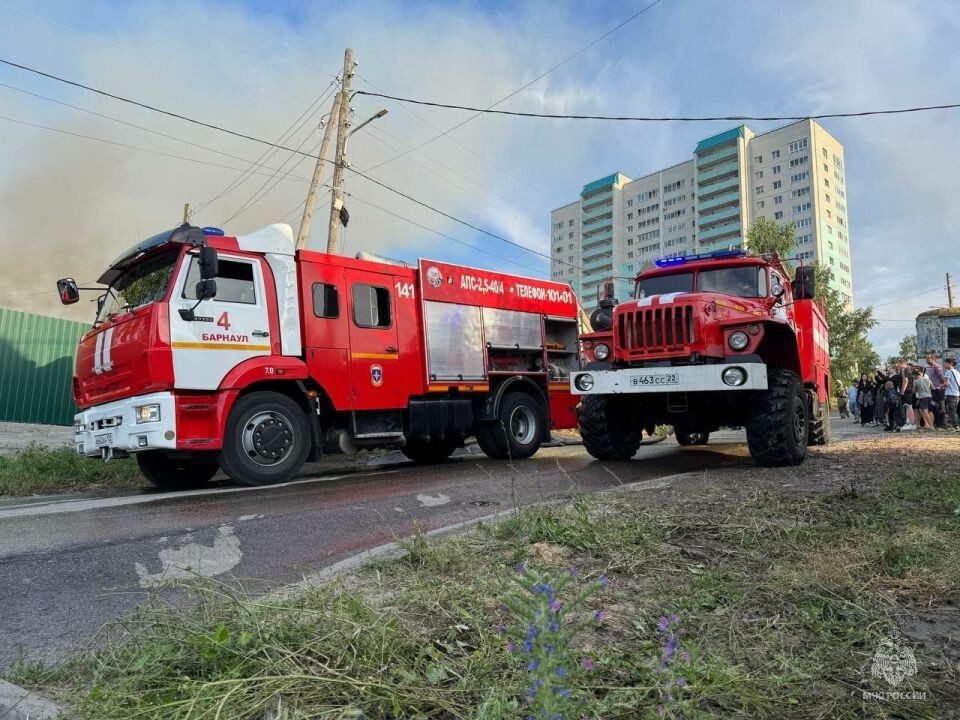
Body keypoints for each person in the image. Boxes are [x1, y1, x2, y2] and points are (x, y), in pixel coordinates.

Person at [925, 352, 947, 429]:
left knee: (941, 407)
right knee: (934, 407)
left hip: (938, 390)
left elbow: (942, 379)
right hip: (932, 390)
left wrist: (941, 387)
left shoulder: (937, 367)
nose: (926, 359)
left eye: (928, 358)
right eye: (926, 358)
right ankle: (937, 424)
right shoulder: (929, 368)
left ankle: (943, 425)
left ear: (933, 359)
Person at [944, 356, 960, 431]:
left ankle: (956, 426)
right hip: (957, 394)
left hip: (950, 393)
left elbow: (946, 383)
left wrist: (941, 386)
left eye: (946, 363)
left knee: (951, 411)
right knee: (956, 410)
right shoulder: (957, 372)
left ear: (951, 364)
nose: (945, 364)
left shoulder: (948, 372)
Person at [900, 361, 917, 430]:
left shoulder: (904, 370)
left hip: (907, 390)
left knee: (909, 406)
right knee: (907, 406)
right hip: (909, 390)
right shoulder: (909, 370)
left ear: (904, 364)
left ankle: (912, 423)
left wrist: (902, 390)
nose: (899, 365)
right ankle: (908, 422)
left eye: (900, 363)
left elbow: (905, 380)